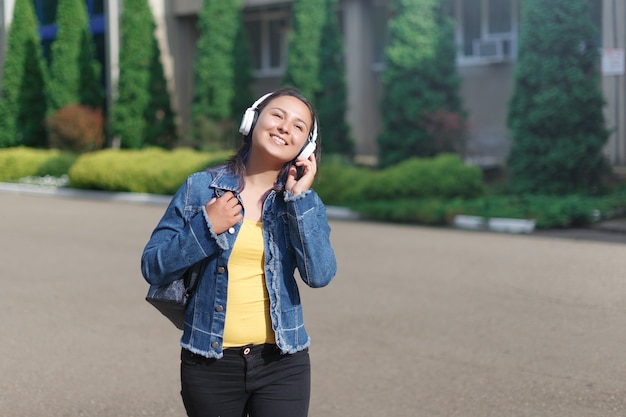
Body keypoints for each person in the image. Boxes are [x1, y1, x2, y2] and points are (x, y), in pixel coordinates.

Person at [141, 86, 337, 417]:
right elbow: (153, 266)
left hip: (283, 361)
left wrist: (298, 200)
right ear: (252, 120)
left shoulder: (303, 202)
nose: (284, 127)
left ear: (306, 147)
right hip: (210, 361)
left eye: (298, 126)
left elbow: (319, 275)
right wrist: (206, 227)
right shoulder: (201, 188)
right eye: (277, 115)